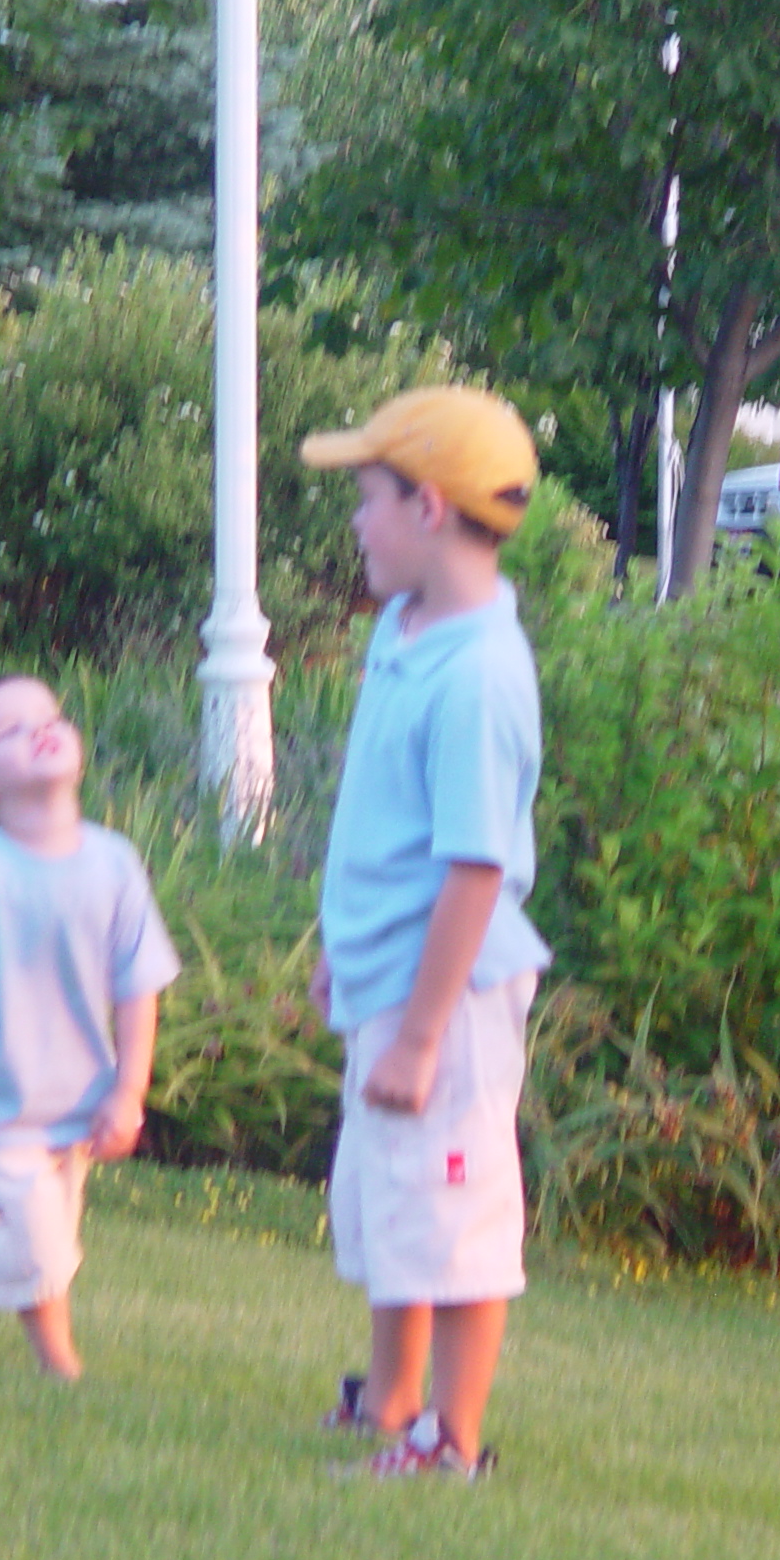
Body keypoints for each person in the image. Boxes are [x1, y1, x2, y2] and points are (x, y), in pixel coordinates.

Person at [298, 385, 551, 1480]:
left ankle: (449, 1439)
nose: (356, 524)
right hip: (387, 979)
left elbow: (473, 869)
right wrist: (338, 952)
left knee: (453, 1216)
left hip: (444, 999)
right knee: (392, 1202)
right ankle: (389, 1399)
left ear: (432, 509)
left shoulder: (481, 676)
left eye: (368, 500)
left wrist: (416, 1034)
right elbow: (381, 825)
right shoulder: (406, 635)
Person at [0, 673, 180, 1379]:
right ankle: (61, 1366)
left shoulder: (114, 863)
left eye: (48, 716)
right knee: (34, 1243)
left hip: (73, 1107)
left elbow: (137, 985)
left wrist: (127, 1091)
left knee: (6, 1235)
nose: (41, 729)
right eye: (11, 731)